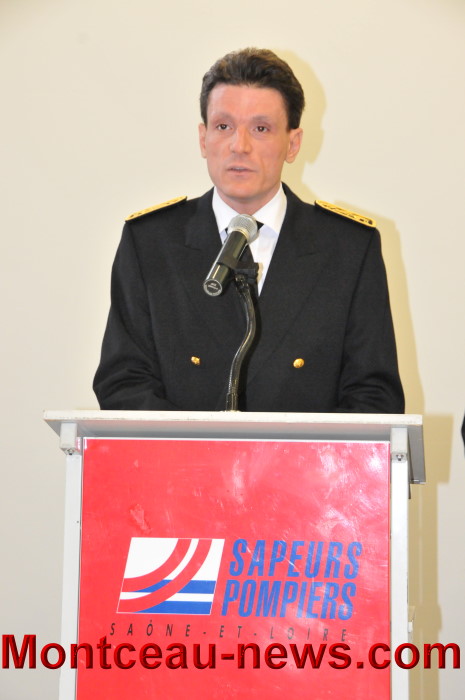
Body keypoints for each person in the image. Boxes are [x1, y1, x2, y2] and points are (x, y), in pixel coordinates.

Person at [93, 48, 404, 413]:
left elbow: (374, 396)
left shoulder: (348, 248)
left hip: (306, 455)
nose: (239, 146)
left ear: (292, 143)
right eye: (223, 127)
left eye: (261, 129)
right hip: (184, 454)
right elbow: (123, 383)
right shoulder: (151, 242)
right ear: (203, 139)